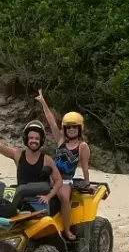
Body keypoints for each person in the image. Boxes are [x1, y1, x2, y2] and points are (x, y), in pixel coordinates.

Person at [0, 118, 63, 215]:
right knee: (1, 188)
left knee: (21, 193)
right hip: (18, 196)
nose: (34, 141)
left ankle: (11, 211)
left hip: (37, 200)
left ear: (41, 140)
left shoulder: (47, 160)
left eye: (37, 138)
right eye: (31, 138)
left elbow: (59, 181)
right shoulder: (17, 154)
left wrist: (49, 196)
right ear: (26, 139)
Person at [35, 90, 91, 242]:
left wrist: (87, 183)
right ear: (65, 129)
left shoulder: (82, 145)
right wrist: (43, 102)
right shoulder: (60, 140)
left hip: (65, 180)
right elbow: (51, 121)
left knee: (64, 198)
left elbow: (85, 166)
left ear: (79, 129)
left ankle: (66, 229)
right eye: (68, 127)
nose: (71, 130)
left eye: (74, 127)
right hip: (51, 176)